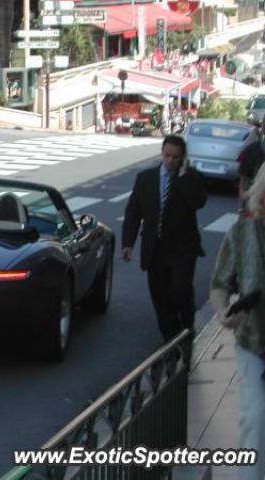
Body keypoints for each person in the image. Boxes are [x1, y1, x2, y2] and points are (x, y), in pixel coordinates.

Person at [122, 135, 207, 346]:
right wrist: (128, 243)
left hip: (183, 248)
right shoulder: (146, 178)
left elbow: (198, 202)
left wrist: (184, 177)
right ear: (162, 153)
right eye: (167, 155)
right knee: (160, 298)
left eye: (175, 157)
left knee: (180, 291)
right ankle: (172, 343)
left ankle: (187, 324)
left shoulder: (192, 177)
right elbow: (134, 211)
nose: (170, 161)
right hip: (155, 248)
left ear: (183, 157)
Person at [210, 162, 265, 480]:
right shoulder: (242, 233)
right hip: (254, 342)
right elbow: (220, 284)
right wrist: (222, 311)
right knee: (255, 418)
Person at [237, 114, 265, 215]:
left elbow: (242, 181)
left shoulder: (250, 150)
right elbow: (243, 180)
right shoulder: (251, 150)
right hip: (254, 206)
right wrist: (241, 207)